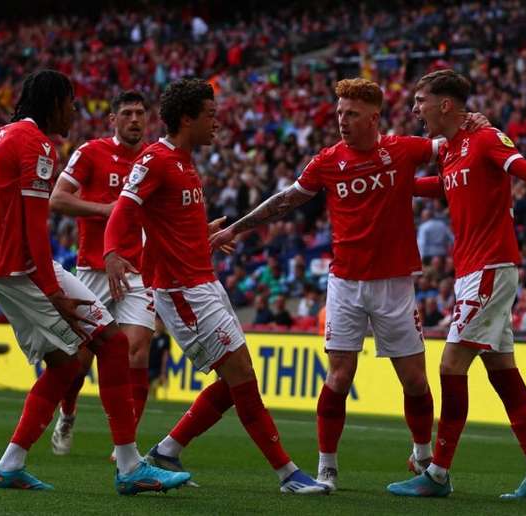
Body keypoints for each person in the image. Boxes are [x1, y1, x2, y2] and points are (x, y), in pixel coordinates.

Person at [211, 78, 489, 490]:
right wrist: (236, 228)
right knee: (339, 376)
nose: (342, 121)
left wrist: (475, 123)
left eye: (352, 113)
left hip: (394, 285)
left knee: (414, 380)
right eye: (340, 113)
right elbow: (286, 199)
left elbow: (452, 141)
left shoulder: (402, 149)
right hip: (345, 284)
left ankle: (423, 455)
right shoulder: (327, 161)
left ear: (373, 117)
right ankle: (327, 467)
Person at [103, 77, 328, 494]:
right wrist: (113, 251)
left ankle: (168, 450)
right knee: (242, 376)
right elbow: (123, 210)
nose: (217, 123)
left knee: (234, 381)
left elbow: (165, 221)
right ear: (186, 119)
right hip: (182, 292)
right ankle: (287, 474)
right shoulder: (155, 160)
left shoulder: (185, 160)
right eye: (210, 115)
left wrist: (198, 235)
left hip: (205, 281)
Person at [0, 70, 190, 494]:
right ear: (54, 102)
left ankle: (10, 465)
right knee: (110, 345)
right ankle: (130, 468)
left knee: (68, 363)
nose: (74, 110)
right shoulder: (37, 144)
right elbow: (36, 227)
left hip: (0, 267)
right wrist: (52, 292)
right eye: (71, 101)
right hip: (25, 270)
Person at [387, 69, 526, 499]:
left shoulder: (486, 138)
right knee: (503, 372)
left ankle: (438, 474)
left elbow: (525, 170)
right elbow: (441, 187)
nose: (415, 109)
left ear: (445, 104)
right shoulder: (450, 150)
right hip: (472, 271)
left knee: (449, 366)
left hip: (491, 269)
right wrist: (393, 184)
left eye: (421, 100)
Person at [47, 90, 155, 459]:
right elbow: (57, 199)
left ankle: (126, 446)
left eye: (141, 113)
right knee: (79, 360)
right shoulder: (91, 152)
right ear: (113, 120)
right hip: (93, 269)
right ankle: (68, 412)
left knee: (137, 350)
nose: (135, 120)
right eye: (127, 113)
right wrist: (106, 210)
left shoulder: (155, 158)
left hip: (138, 271)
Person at [148, 317, 171, 397]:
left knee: (154, 388)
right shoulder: (149, 335)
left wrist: (163, 371)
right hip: (147, 366)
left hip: (157, 369)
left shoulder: (165, 338)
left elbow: (165, 355)